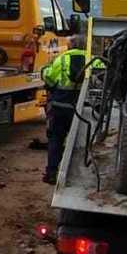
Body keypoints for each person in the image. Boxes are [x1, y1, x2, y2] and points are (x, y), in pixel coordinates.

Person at [40, 35, 102, 184]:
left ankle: (52, 173)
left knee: (56, 139)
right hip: (83, 111)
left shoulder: (61, 60)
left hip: (60, 108)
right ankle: (82, 177)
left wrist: (44, 70)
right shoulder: (95, 61)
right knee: (82, 143)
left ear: (70, 46)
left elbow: (49, 79)